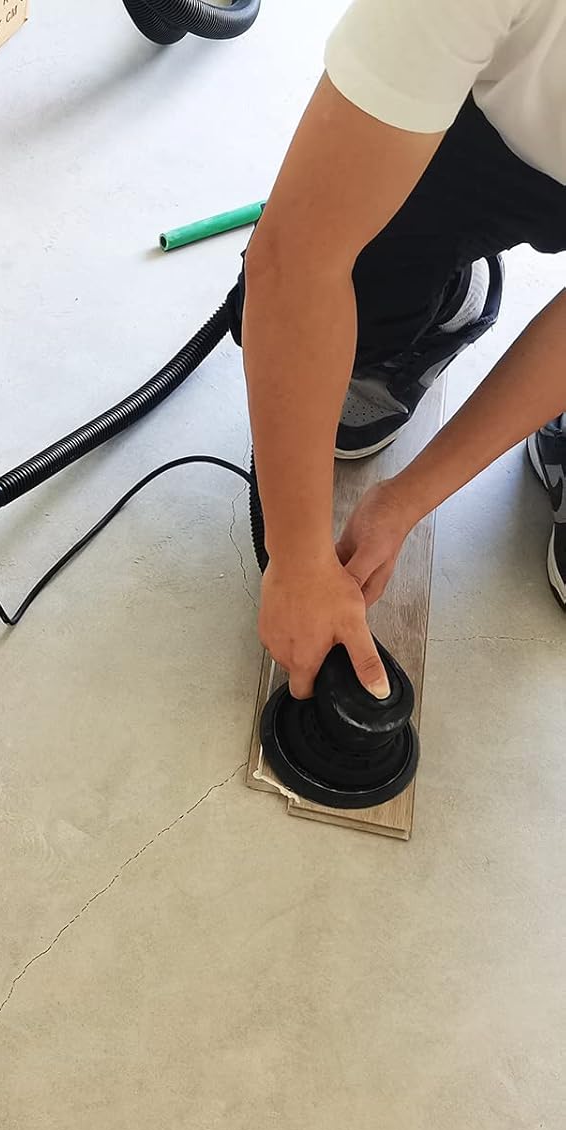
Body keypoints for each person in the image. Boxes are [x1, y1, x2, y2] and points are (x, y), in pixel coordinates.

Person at [239, 0, 566, 701]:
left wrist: (409, 498)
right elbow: (298, 258)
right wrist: (297, 556)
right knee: (339, 301)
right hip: (499, 122)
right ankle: (445, 301)